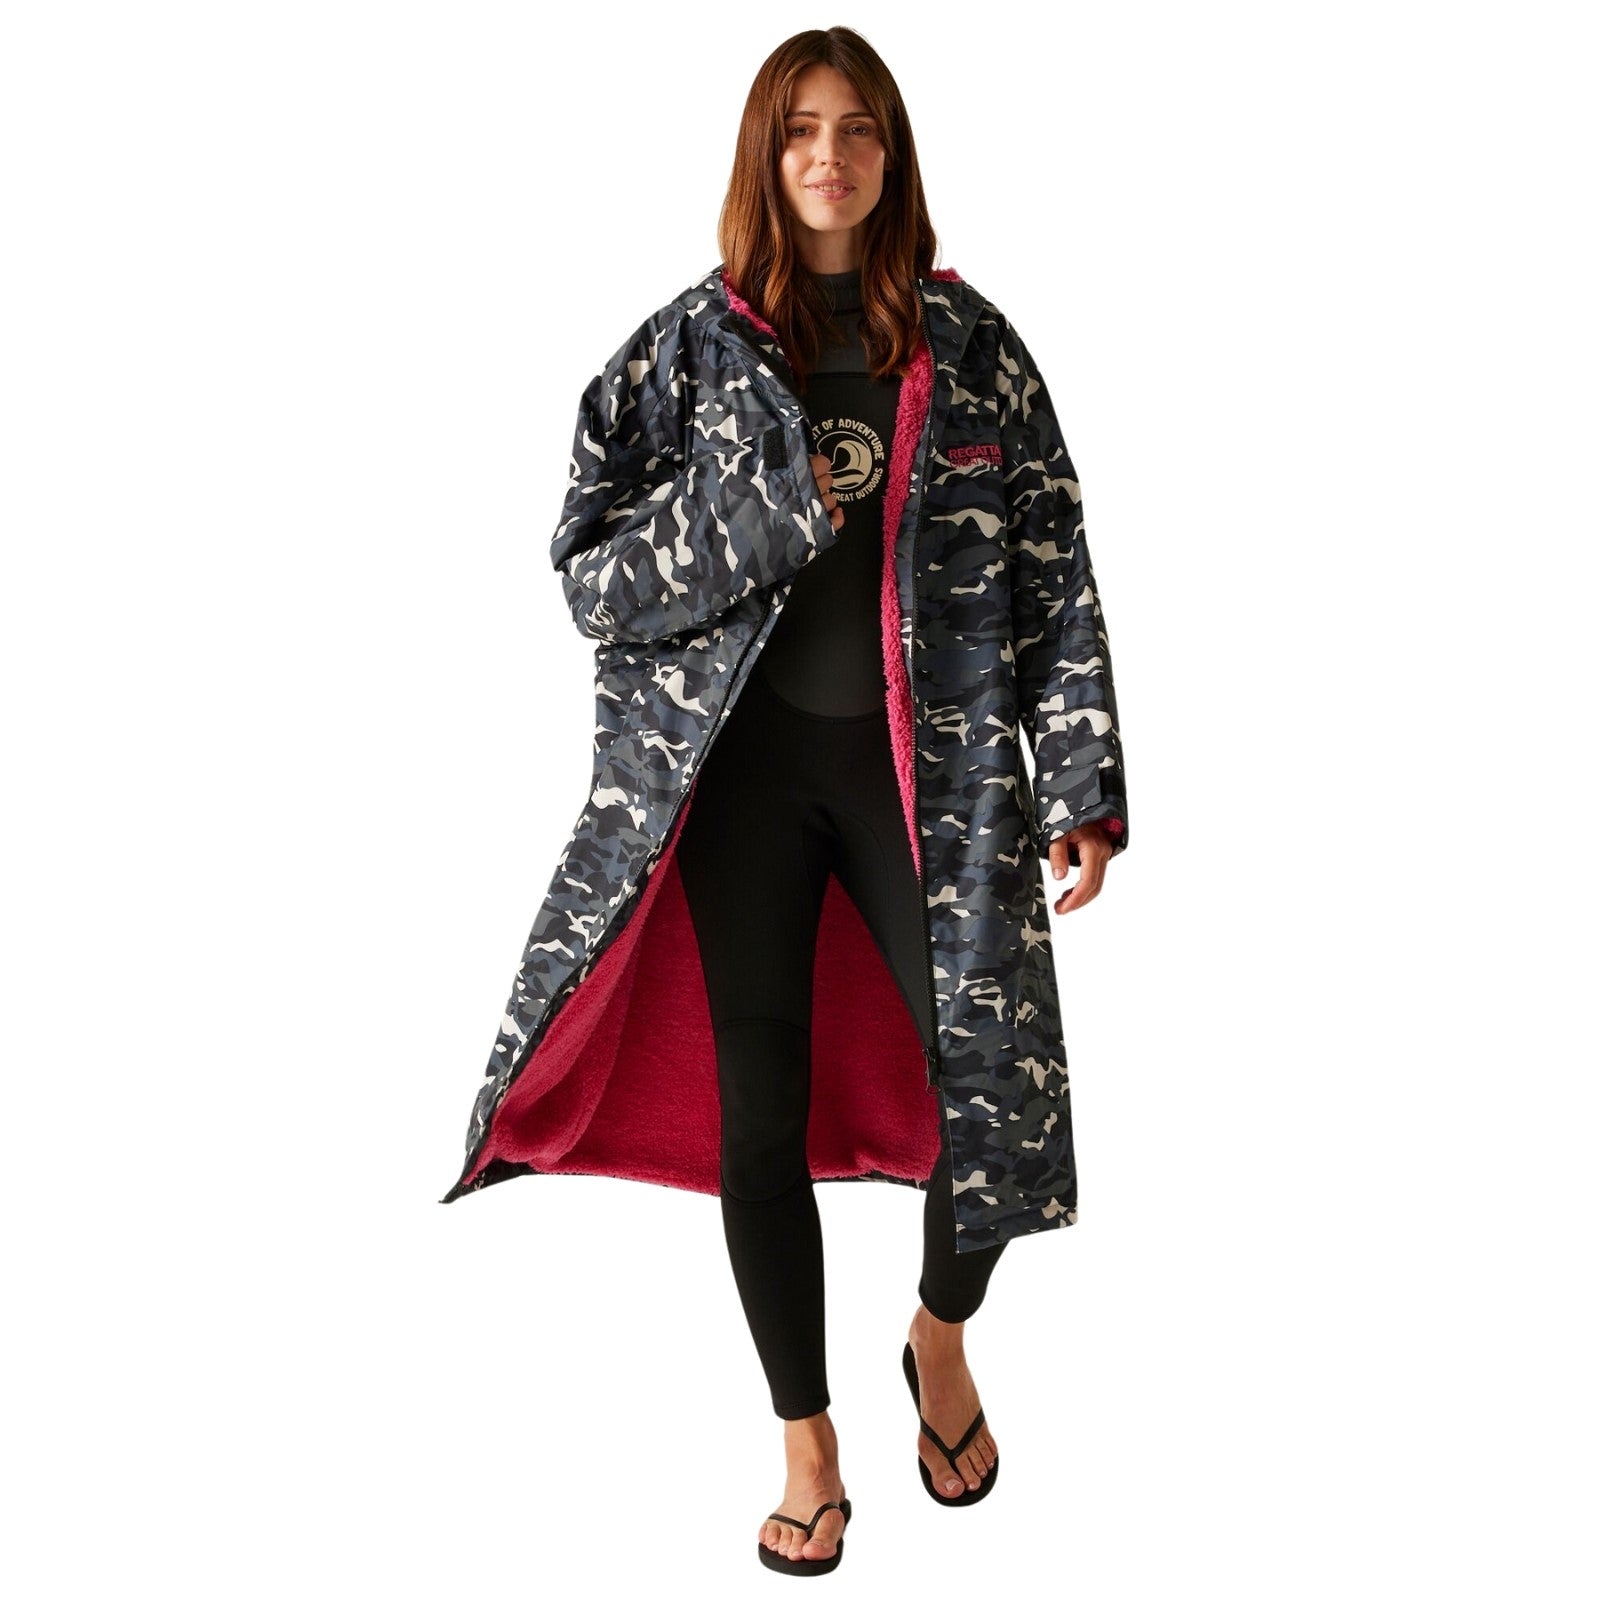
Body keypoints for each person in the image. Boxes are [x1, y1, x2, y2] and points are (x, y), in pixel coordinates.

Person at [440, 25, 1129, 1578]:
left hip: (932, 785)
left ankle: (937, 1334)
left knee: (998, 1101)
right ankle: (808, 1441)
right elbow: (591, 581)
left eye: (859, 127)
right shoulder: (681, 352)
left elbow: (1053, 567)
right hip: (741, 784)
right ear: (766, 154)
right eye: (802, 128)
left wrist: (1079, 777)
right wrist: (768, 513)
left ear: (894, 154)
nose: (831, 155)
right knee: (760, 1116)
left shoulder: (977, 347)